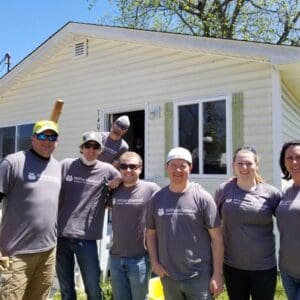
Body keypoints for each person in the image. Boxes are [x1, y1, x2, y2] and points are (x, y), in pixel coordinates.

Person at [146, 147, 224, 300]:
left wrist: (217, 274)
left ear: (190, 168)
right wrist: (155, 263)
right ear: (166, 167)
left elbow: (217, 239)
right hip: (168, 276)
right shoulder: (156, 199)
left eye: (183, 165)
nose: (178, 170)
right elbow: (150, 233)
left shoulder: (203, 198)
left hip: (199, 276)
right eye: (173, 165)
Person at [0, 120, 61, 300]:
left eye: (52, 137)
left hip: (47, 251)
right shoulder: (13, 162)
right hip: (16, 253)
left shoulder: (57, 167)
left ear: (57, 141)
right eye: (42, 135)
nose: (47, 141)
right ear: (33, 138)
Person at [56, 131, 121, 300]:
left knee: (93, 288)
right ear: (81, 148)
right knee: (66, 289)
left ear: (101, 150)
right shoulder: (66, 165)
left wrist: (117, 182)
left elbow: (124, 178)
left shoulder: (107, 170)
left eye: (95, 147)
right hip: (61, 235)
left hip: (87, 237)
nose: (91, 150)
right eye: (88, 146)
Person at [214, 146, 281, 300]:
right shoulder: (223, 190)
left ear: (257, 165)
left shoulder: (271, 193)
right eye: (240, 163)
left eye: (249, 163)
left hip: (264, 267)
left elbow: (289, 220)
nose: (244, 167)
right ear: (233, 166)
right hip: (233, 266)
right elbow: (213, 226)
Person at [109, 151, 160, 300]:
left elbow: (170, 200)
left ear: (140, 168)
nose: (128, 170)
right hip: (116, 257)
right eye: (123, 166)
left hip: (140, 258)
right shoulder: (114, 189)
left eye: (133, 166)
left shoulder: (151, 189)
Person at [276, 140, 300, 300]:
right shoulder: (284, 193)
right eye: (289, 158)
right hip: (287, 270)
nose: (294, 162)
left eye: (298, 157)